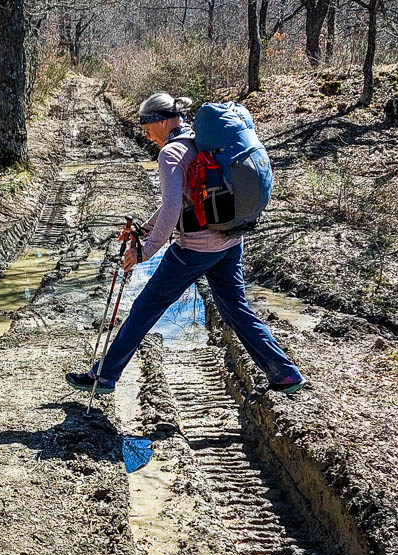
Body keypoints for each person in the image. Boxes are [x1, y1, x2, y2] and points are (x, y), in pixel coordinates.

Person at [66, 91, 305, 396]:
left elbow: (171, 210)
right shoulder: (199, 142)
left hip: (194, 249)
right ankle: (285, 373)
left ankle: (104, 377)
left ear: (161, 121)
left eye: (146, 127)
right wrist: (143, 229)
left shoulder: (170, 154)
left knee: (144, 309)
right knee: (235, 308)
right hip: (230, 241)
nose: (147, 134)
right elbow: (180, 201)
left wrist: (144, 251)